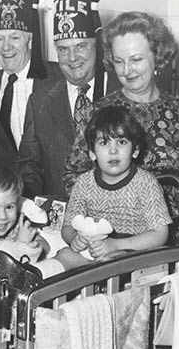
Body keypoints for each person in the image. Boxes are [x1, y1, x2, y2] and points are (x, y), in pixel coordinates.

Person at [63, 11, 179, 215]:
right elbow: (73, 177)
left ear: (157, 56)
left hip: (169, 231)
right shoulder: (95, 113)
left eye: (136, 59)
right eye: (119, 61)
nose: (127, 70)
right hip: (110, 231)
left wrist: (157, 213)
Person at [17, 0, 120, 199]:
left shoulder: (121, 93)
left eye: (80, 46)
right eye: (63, 49)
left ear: (97, 47)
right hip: (60, 220)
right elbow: (29, 167)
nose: (72, 57)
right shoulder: (40, 100)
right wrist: (27, 205)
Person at [0, 0, 63, 167]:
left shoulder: (60, 79)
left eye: (15, 37)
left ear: (31, 40)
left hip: (51, 192)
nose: (6, 47)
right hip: (0, 192)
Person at [60, 105, 171, 262]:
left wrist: (116, 245)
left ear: (135, 150)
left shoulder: (146, 184)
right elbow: (68, 226)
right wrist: (74, 238)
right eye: (104, 143)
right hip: (94, 249)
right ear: (92, 152)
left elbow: (160, 234)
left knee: (108, 261)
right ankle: (34, 278)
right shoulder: (84, 182)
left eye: (122, 142)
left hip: (134, 252)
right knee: (64, 255)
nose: (113, 151)